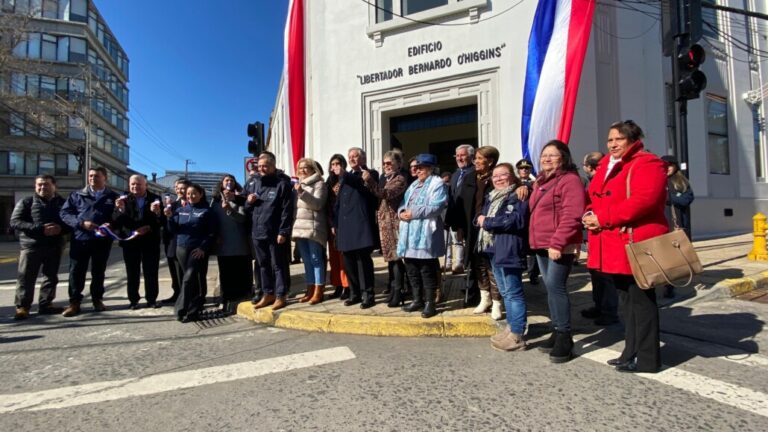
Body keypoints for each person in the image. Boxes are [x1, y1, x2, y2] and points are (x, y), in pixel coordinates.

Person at [583, 120, 667, 373]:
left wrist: (604, 218)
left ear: (633, 139)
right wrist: (589, 214)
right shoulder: (608, 164)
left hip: (635, 242)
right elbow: (593, 197)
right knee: (626, 301)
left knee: (641, 302)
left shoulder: (647, 162)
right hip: (614, 242)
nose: (613, 143)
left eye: (619, 138)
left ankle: (647, 358)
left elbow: (644, 201)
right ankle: (631, 351)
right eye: (610, 139)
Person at [529, 141, 586, 363]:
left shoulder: (569, 180)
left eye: (552, 155)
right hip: (541, 243)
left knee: (557, 288)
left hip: (557, 245)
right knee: (550, 288)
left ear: (563, 158)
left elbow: (572, 214)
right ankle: (556, 329)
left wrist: (558, 243)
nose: (547, 159)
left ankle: (565, 336)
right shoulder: (542, 182)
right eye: (544, 155)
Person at [476, 163, 530, 350]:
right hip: (494, 249)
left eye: (503, 175)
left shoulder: (519, 194)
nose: (498, 179)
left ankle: (517, 336)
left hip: (509, 248)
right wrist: (482, 220)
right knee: (505, 292)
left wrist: (487, 222)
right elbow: (482, 216)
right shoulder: (492, 196)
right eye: (495, 176)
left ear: (512, 176)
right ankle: (512, 328)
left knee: (514, 293)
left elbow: (514, 220)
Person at [60, 167, 119, 317]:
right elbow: (65, 213)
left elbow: (118, 216)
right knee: (76, 272)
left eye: (96, 176)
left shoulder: (113, 197)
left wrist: (112, 224)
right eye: (90, 176)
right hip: (81, 239)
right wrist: (81, 223)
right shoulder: (77, 195)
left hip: (102, 241)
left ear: (105, 178)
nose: (92, 178)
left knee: (98, 272)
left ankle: (97, 299)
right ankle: (74, 303)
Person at [397, 154, 448, 318]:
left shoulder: (437, 183)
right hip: (409, 233)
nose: (418, 171)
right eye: (417, 168)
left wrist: (411, 213)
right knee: (411, 268)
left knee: (427, 270)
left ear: (430, 168)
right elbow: (403, 204)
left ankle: (430, 303)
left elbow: (436, 206)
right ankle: (417, 299)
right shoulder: (414, 185)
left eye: (421, 168)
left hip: (425, 234)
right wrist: (401, 213)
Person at [10, 175, 68, 319]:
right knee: (26, 277)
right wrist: (40, 228)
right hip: (31, 246)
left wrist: (61, 228)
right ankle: (23, 307)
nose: (42, 187)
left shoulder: (63, 203)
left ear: (54, 186)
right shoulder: (27, 202)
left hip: (54, 246)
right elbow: (15, 222)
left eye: (46, 185)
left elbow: (71, 222)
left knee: (50, 277)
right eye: (39, 185)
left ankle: (46, 304)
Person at [332, 148, 379, 309]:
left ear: (363, 158)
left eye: (355, 156)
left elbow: (361, 186)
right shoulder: (345, 177)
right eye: (350, 156)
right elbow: (338, 203)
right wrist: (335, 224)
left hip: (361, 224)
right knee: (349, 261)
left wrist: (344, 174)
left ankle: (368, 295)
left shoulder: (369, 173)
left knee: (363, 262)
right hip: (345, 226)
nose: (352, 158)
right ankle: (355, 293)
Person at [248, 153, 295, 311]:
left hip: (275, 233)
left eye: (265, 166)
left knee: (278, 265)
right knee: (263, 265)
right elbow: (248, 207)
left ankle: (281, 295)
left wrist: (283, 231)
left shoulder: (282, 184)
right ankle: (268, 294)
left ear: (273, 166)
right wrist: (249, 202)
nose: (262, 169)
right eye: (260, 166)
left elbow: (287, 211)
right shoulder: (255, 184)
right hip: (257, 232)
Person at [165, 183, 216, 322]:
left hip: (197, 250)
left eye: (194, 193)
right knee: (189, 280)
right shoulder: (181, 210)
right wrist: (169, 217)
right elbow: (173, 230)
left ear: (200, 194)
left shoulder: (207, 211)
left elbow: (211, 233)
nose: (191, 196)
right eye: (188, 194)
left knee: (188, 279)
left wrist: (203, 248)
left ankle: (180, 309)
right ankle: (193, 309)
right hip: (181, 249)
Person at [579, 152, 619, 325]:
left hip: (608, 235)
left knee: (608, 277)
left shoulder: (611, 180)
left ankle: (610, 312)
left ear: (589, 166)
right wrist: (588, 215)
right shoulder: (594, 181)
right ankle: (599, 306)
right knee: (596, 273)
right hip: (594, 236)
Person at [113, 175, 163, 310]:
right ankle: (133, 300)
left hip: (150, 241)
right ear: (129, 185)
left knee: (151, 272)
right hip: (131, 242)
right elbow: (116, 220)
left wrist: (154, 220)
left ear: (145, 185)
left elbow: (162, 220)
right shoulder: (123, 199)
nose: (135, 187)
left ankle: (151, 299)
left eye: (139, 184)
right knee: (132, 272)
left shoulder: (155, 199)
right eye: (133, 184)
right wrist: (120, 209)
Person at [211, 174, 252, 313]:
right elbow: (211, 220)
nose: (229, 182)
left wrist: (230, 208)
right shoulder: (215, 201)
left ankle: (244, 294)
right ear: (222, 184)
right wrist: (214, 235)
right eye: (226, 180)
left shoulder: (240, 199)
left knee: (242, 269)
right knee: (226, 271)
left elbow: (242, 218)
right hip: (223, 242)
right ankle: (227, 296)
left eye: (232, 180)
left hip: (240, 240)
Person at [374, 150, 408, 307]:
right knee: (390, 260)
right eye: (384, 163)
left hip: (395, 226)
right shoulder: (388, 179)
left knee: (396, 260)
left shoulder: (400, 179)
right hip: (385, 226)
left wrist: (369, 182)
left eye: (389, 163)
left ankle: (399, 291)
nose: (385, 166)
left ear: (398, 164)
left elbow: (385, 194)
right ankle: (393, 289)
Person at [292, 158, 328, 305]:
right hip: (299, 228)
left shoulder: (319, 184)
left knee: (316, 259)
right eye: (300, 168)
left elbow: (318, 204)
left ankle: (319, 291)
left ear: (313, 168)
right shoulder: (297, 184)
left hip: (313, 227)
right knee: (306, 260)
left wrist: (301, 193)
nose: (302, 170)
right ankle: (310, 289)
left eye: (306, 167)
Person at [659, 155, 695, 299]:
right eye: (665, 166)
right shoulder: (658, 180)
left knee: (674, 258)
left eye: (670, 166)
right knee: (662, 257)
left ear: (675, 167)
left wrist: (669, 198)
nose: (667, 169)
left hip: (677, 224)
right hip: (661, 224)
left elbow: (687, 199)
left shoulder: (681, 181)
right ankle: (665, 282)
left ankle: (670, 285)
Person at [445, 144, 474, 277]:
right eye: (457, 155)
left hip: (470, 219)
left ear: (471, 156)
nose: (459, 158)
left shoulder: (475, 173)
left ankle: (473, 283)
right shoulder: (456, 174)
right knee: (456, 242)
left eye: (462, 155)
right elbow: (452, 198)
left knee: (472, 253)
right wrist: (448, 220)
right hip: (456, 217)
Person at [161, 178, 190, 304]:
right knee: (175, 272)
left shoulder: (195, 204)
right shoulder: (171, 206)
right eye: (177, 188)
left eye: (182, 188)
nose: (179, 191)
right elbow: (165, 225)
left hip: (189, 244)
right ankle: (177, 294)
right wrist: (163, 215)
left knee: (188, 273)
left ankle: (191, 295)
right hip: (173, 243)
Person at [326, 154, 351, 300]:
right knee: (334, 258)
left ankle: (347, 286)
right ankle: (337, 285)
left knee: (344, 259)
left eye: (338, 163)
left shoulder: (346, 179)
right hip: (331, 224)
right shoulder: (329, 182)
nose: (335, 166)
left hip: (344, 224)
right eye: (333, 164)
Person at [516, 158, 539, 285]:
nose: (524, 170)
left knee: (533, 250)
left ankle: (533, 274)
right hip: (518, 220)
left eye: (526, 168)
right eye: (521, 168)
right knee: (519, 247)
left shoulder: (535, 183)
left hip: (531, 220)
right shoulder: (513, 183)